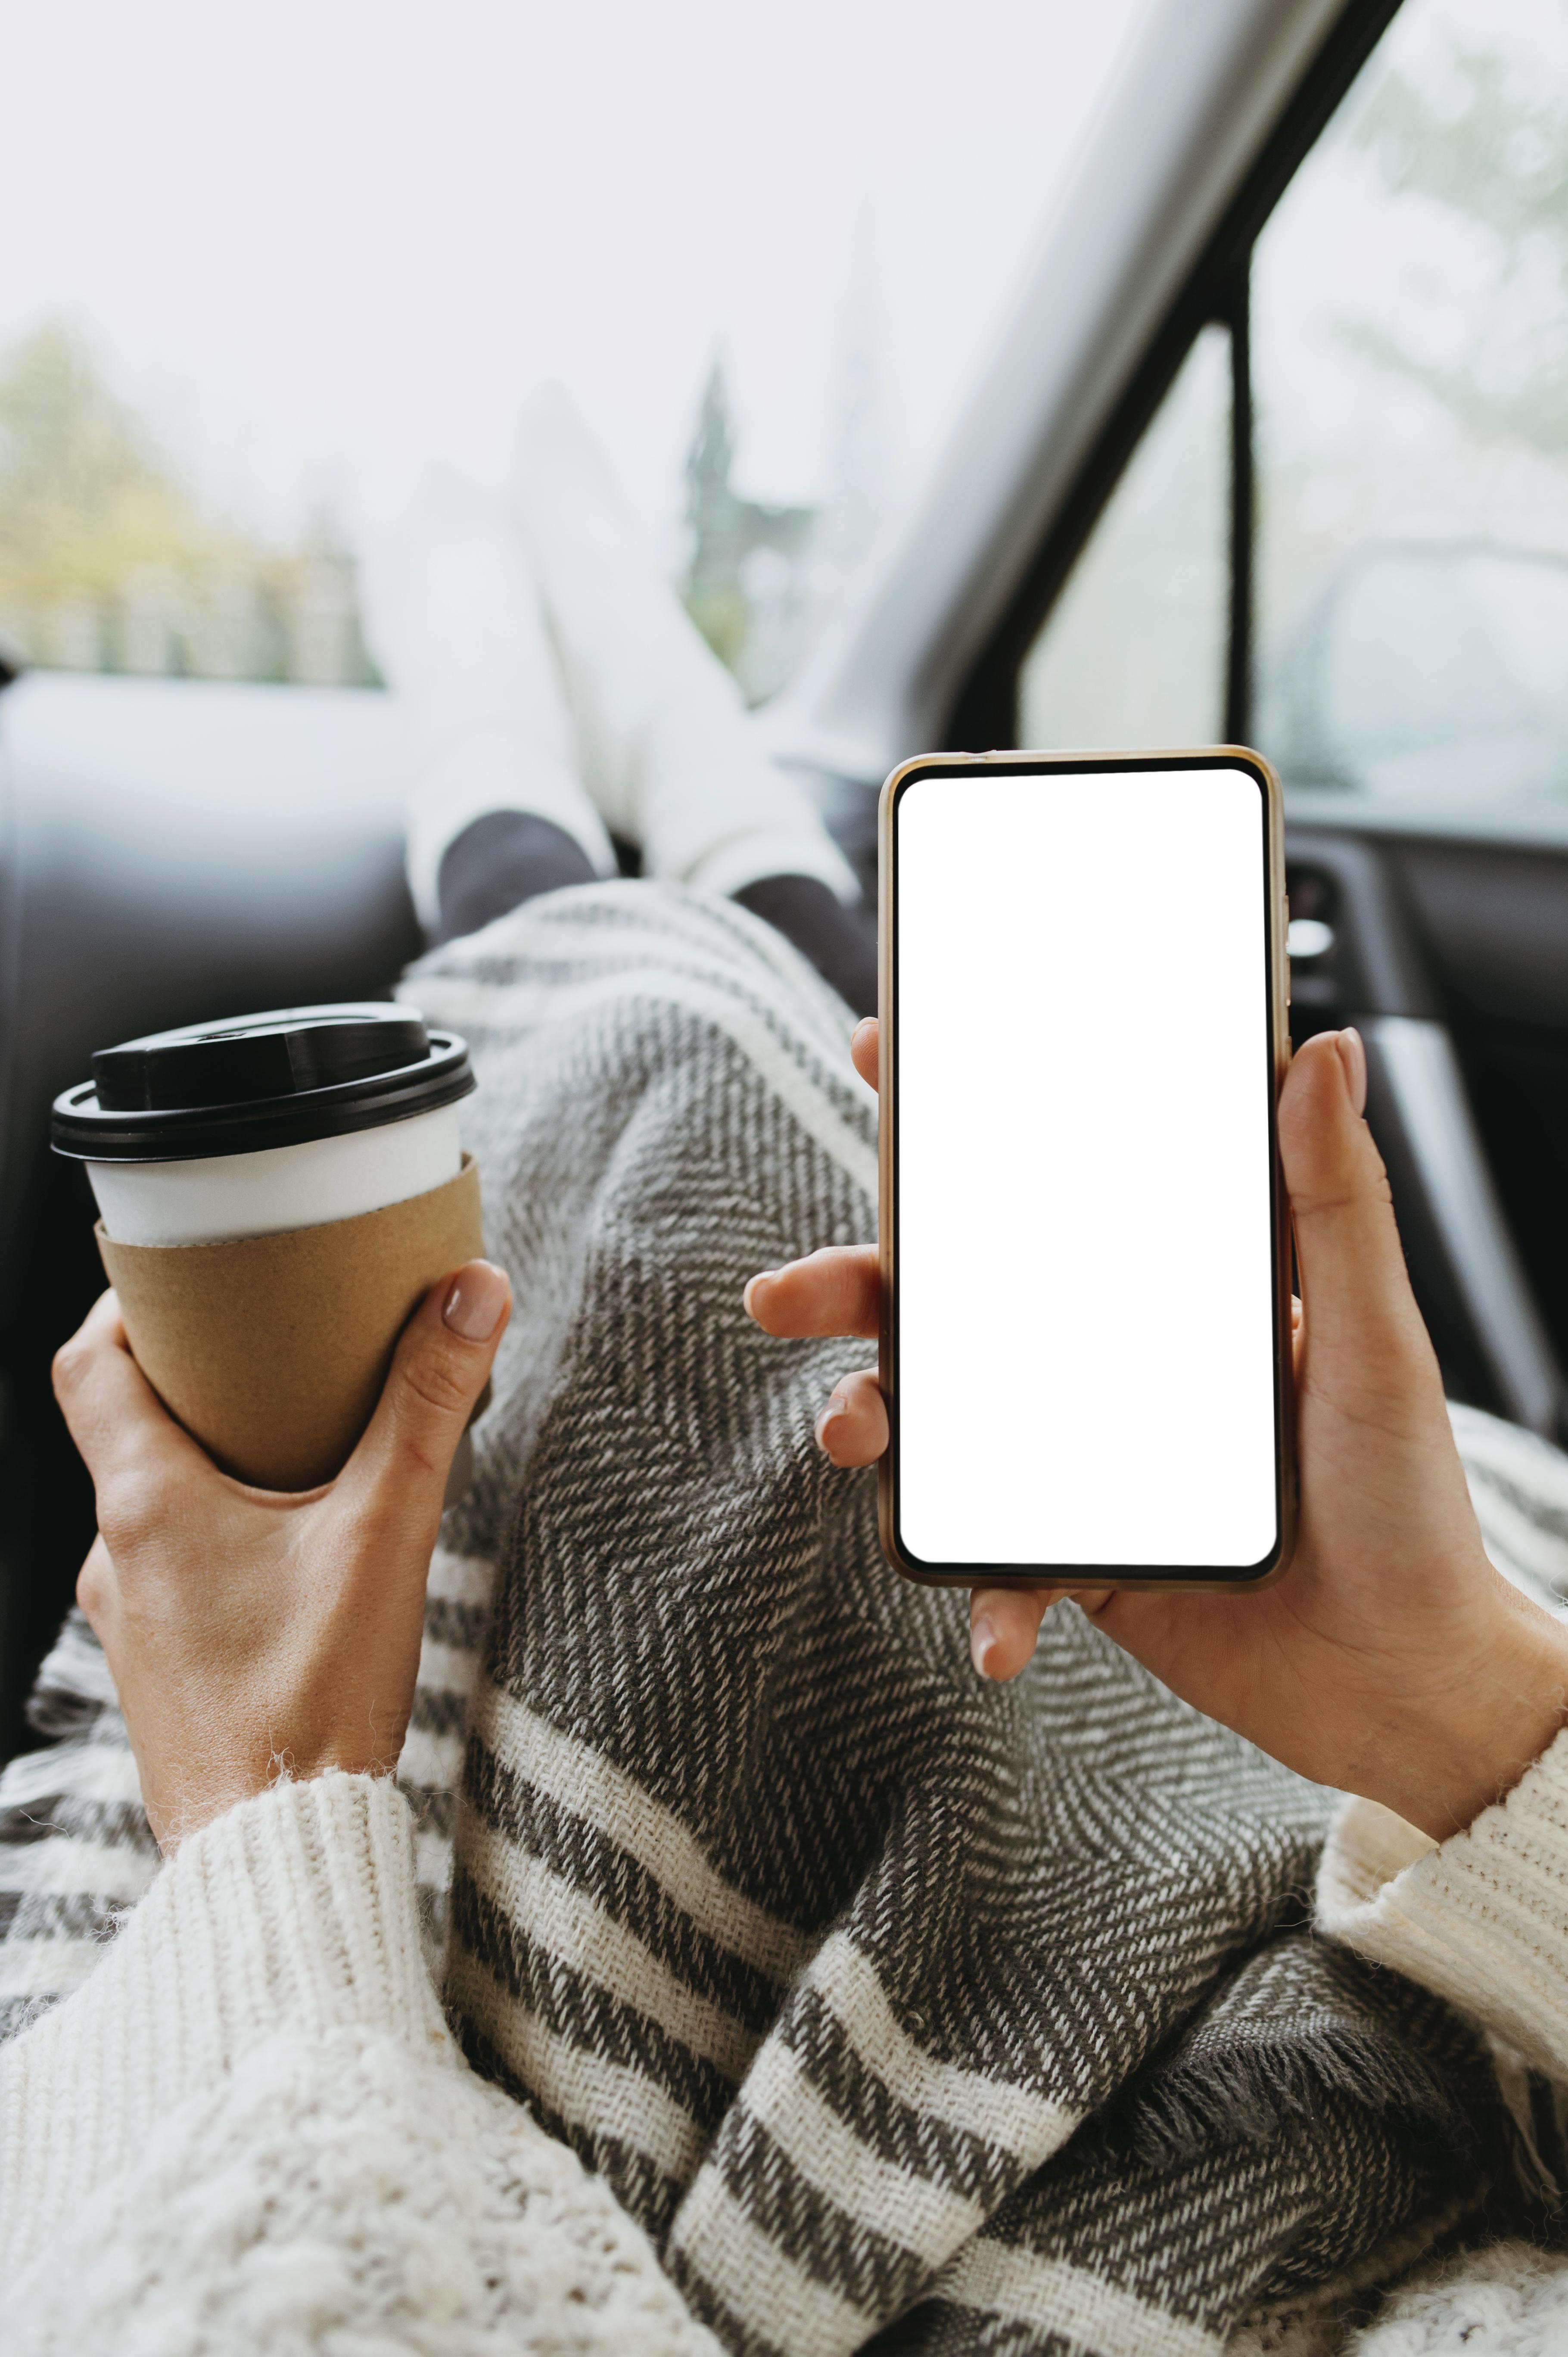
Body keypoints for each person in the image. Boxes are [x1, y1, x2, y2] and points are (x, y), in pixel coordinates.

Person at [5, 398, 1568, 2355]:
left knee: (649, 1092)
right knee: (831, 1103)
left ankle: (552, 775)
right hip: (1426, 1755)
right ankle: (687, 776)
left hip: (881, 2102)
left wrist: (261, 1808)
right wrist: (1476, 1709)